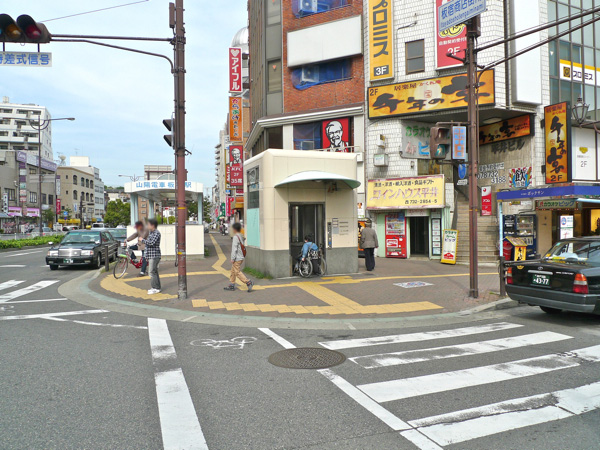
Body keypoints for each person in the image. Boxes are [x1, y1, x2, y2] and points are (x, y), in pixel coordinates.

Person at [224, 222, 253, 292]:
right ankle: (232, 284)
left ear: (234, 229)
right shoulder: (241, 235)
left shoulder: (235, 237)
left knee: (237, 272)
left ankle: (248, 282)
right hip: (241, 256)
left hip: (237, 257)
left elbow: (234, 248)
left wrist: (232, 258)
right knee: (233, 271)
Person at [141, 218, 161, 295]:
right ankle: (157, 287)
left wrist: (142, 240)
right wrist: (146, 256)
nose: (147, 226)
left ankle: (155, 288)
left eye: (148, 224)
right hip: (151, 255)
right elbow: (148, 245)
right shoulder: (151, 233)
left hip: (155, 255)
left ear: (153, 225)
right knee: (154, 272)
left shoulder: (156, 233)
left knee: (152, 272)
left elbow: (151, 243)